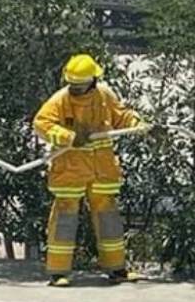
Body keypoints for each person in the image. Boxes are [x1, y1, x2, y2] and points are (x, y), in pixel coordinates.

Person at [33, 53, 144, 287]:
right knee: (64, 218)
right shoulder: (60, 100)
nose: (77, 89)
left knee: (108, 220)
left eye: (81, 85)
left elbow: (121, 116)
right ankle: (58, 272)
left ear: (93, 80)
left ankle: (117, 269)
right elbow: (41, 124)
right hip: (70, 169)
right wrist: (69, 137)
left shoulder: (104, 94)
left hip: (101, 170)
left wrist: (138, 124)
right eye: (73, 85)